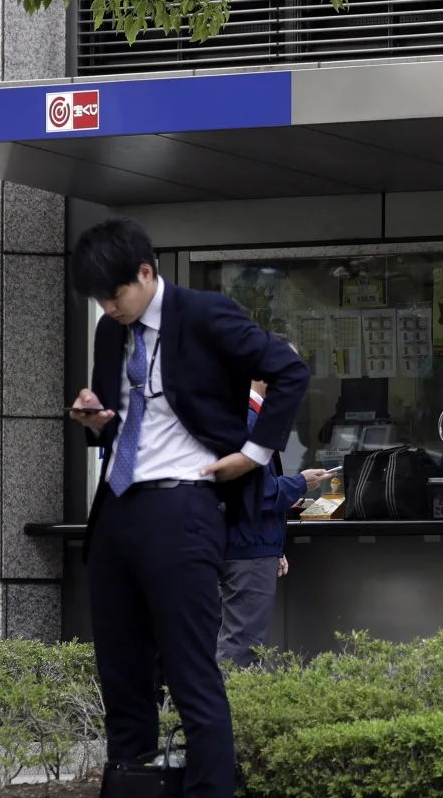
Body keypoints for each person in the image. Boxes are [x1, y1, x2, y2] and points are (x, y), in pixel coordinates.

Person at [67, 218, 309, 798]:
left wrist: (251, 455)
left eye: (115, 293)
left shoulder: (204, 313)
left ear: (147, 273)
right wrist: (94, 419)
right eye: (98, 299)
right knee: (123, 679)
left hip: (186, 505)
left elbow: (289, 370)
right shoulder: (110, 331)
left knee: (191, 675)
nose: (108, 306)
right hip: (118, 508)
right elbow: (115, 421)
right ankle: (133, 788)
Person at [216, 379, 330, 667]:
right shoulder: (248, 417)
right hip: (246, 547)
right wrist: (301, 482)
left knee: (234, 643)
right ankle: (230, 712)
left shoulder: (236, 411)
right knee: (242, 649)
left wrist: (275, 547)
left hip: (246, 542)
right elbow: (259, 492)